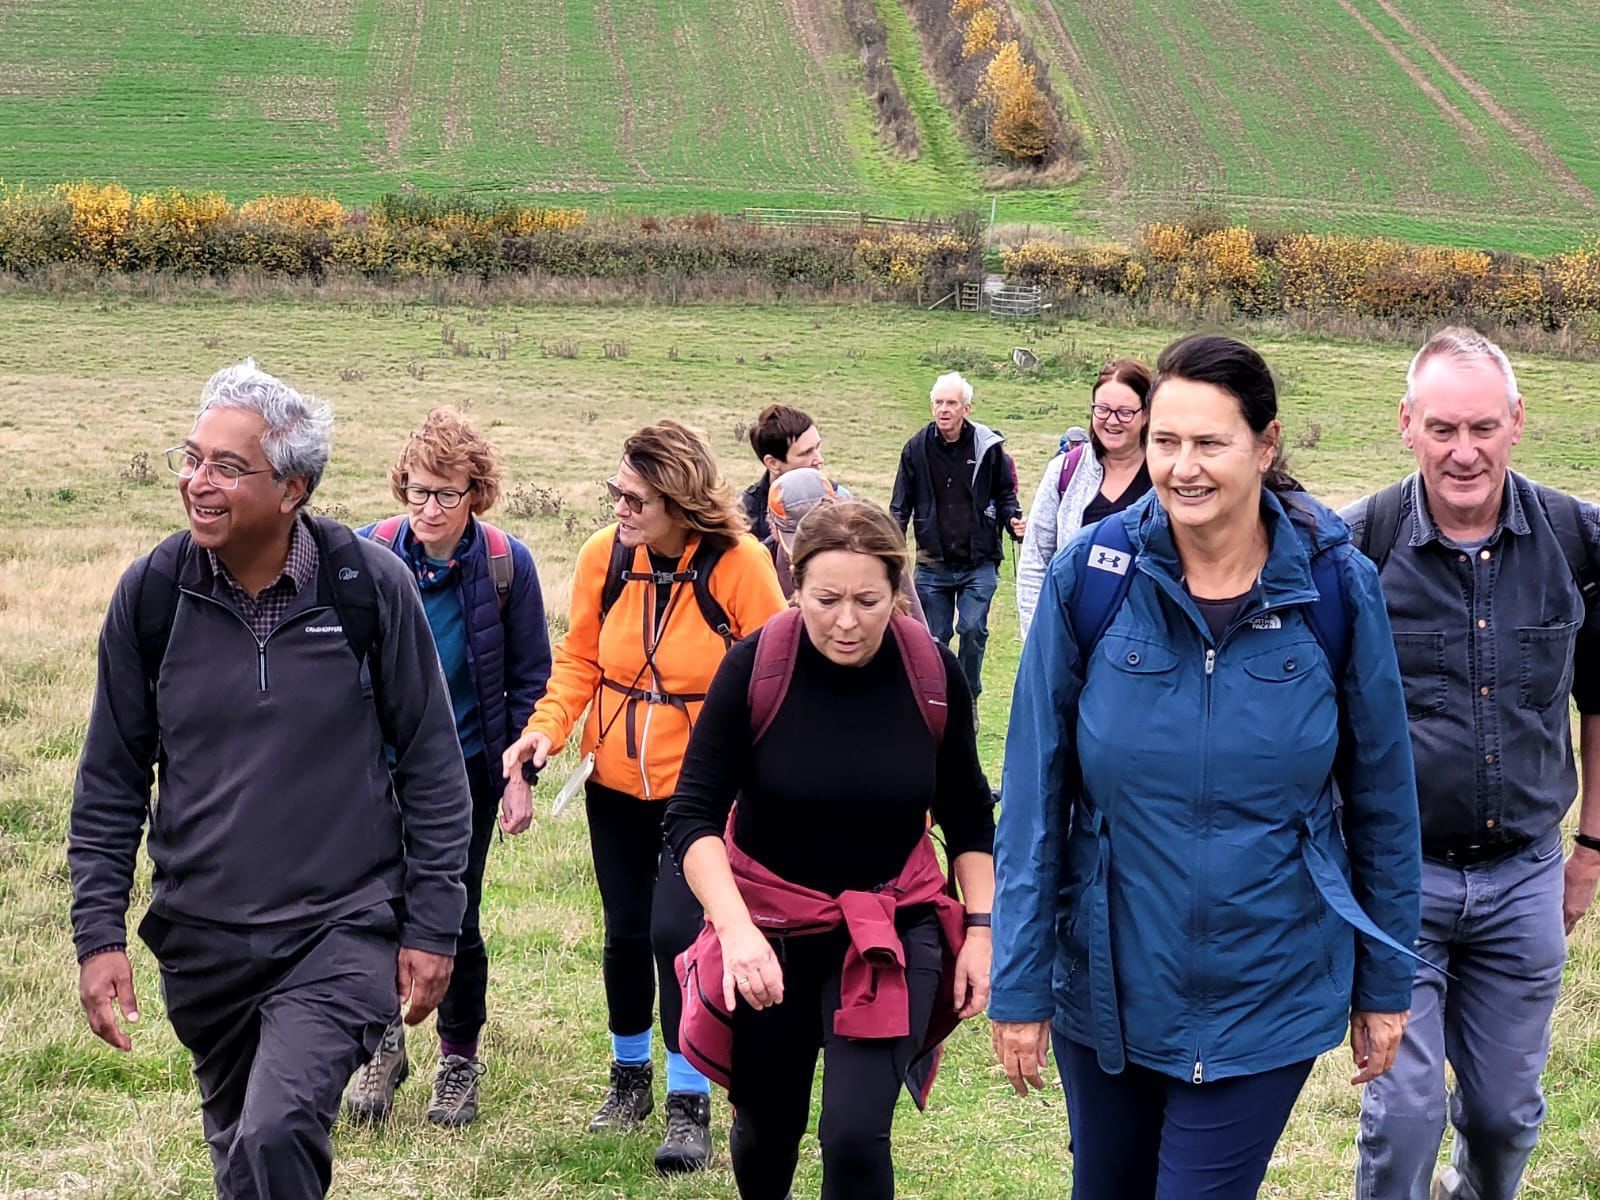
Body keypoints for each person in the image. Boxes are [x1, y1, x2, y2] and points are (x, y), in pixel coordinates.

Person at [990, 334, 1422, 1200]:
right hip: (1110, 978)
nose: (1183, 468)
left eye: (1210, 443)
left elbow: (1382, 797)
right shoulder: (1093, 578)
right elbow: (1036, 796)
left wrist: (1385, 980)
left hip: (1268, 983)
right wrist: (1020, 982)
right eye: (1165, 441)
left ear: (1265, 445)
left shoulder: (1335, 586)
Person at [69, 361, 471, 1199]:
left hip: (337, 928)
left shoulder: (367, 588)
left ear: (293, 488)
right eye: (192, 458)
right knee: (241, 1160)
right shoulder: (152, 594)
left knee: (278, 1126)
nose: (196, 482)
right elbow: (111, 778)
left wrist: (434, 926)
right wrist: (99, 935)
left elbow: (434, 765)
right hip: (203, 939)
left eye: (225, 466)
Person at [665, 498, 996, 1200]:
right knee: (766, 1129)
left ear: (898, 590)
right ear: (795, 586)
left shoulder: (932, 675)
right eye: (827, 599)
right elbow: (691, 818)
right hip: (770, 932)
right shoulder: (755, 669)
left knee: (852, 1135)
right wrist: (736, 930)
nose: (847, 621)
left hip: (889, 930)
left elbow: (969, 816)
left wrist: (981, 929)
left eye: (869, 600)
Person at [1344, 327, 1600, 1200]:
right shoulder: (1359, 549)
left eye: (1483, 428)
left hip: (1525, 877)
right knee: (1403, 1115)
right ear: (1406, 424)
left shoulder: (1576, 543)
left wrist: (1592, 848)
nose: (1464, 452)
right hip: (1397, 884)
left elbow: (1599, 700)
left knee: (1504, 1119)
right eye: (1444, 429)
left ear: (1517, 422)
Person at [501, 419, 786, 1173]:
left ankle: (688, 1098)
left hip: (703, 794)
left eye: (633, 499)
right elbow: (579, 662)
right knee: (626, 933)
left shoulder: (741, 563)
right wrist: (543, 735)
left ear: (678, 500)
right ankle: (628, 1076)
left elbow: (775, 673)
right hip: (617, 781)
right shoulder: (604, 557)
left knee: (676, 935)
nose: (618, 510)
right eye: (615, 494)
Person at [342, 407, 552, 1127]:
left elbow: (531, 678)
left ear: (477, 494)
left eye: (446, 494)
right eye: (416, 491)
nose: (429, 509)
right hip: (373, 768)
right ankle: (381, 1045)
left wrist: (520, 775)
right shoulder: (367, 553)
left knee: (453, 914)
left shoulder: (504, 563)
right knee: (370, 909)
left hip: (463, 770)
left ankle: (458, 1061)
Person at [890, 371, 1024, 699]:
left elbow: (1005, 494)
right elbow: (899, 506)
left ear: (967, 408)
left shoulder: (988, 449)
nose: (944, 410)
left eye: (951, 403)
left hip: (978, 561)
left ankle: (967, 696)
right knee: (933, 638)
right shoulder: (915, 449)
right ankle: (936, 699)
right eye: (938, 403)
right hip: (932, 564)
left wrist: (1013, 521)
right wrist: (889, 551)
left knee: (973, 629)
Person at [1017, 358, 1154, 639]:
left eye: (1125, 412)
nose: (1112, 421)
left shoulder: (1166, 477)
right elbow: (1035, 563)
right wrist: (1040, 641)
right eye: (1102, 409)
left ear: (1146, 414)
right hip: (1072, 639)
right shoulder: (1065, 472)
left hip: (1145, 645)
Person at [766, 467, 925, 625]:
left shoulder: (877, 549)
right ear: (773, 528)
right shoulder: (764, 560)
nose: (807, 548)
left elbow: (916, 626)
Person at [742, 403, 825, 543]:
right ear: (773, 463)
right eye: (806, 453)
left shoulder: (839, 498)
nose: (819, 459)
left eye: (817, 447)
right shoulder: (746, 517)